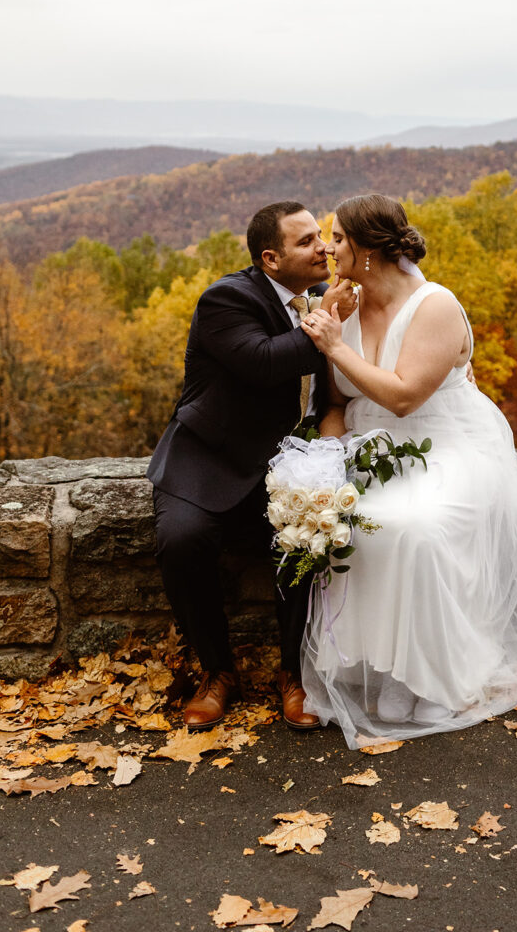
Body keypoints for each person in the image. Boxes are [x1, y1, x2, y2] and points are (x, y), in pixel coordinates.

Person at [298, 193, 517, 748]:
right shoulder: (339, 305)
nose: (328, 248)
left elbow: (403, 398)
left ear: (368, 249)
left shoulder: (436, 305)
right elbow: (332, 404)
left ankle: (431, 677)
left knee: (415, 528)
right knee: (352, 519)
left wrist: (332, 344)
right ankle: (378, 667)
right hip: (369, 450)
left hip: (445, 446)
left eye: (337, 237)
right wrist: (328, 467)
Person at [147, 201, 356, 732]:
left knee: (304, 536)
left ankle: (293, 673)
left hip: (273, 463)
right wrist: (326, 318)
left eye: (323, 237)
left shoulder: (304, 299)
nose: (324, 248)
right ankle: (217, 673)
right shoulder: (226, 298)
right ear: (270, 258)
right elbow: (264, 362)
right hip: (205, 458)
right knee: (182, 542)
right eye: (307, 241)